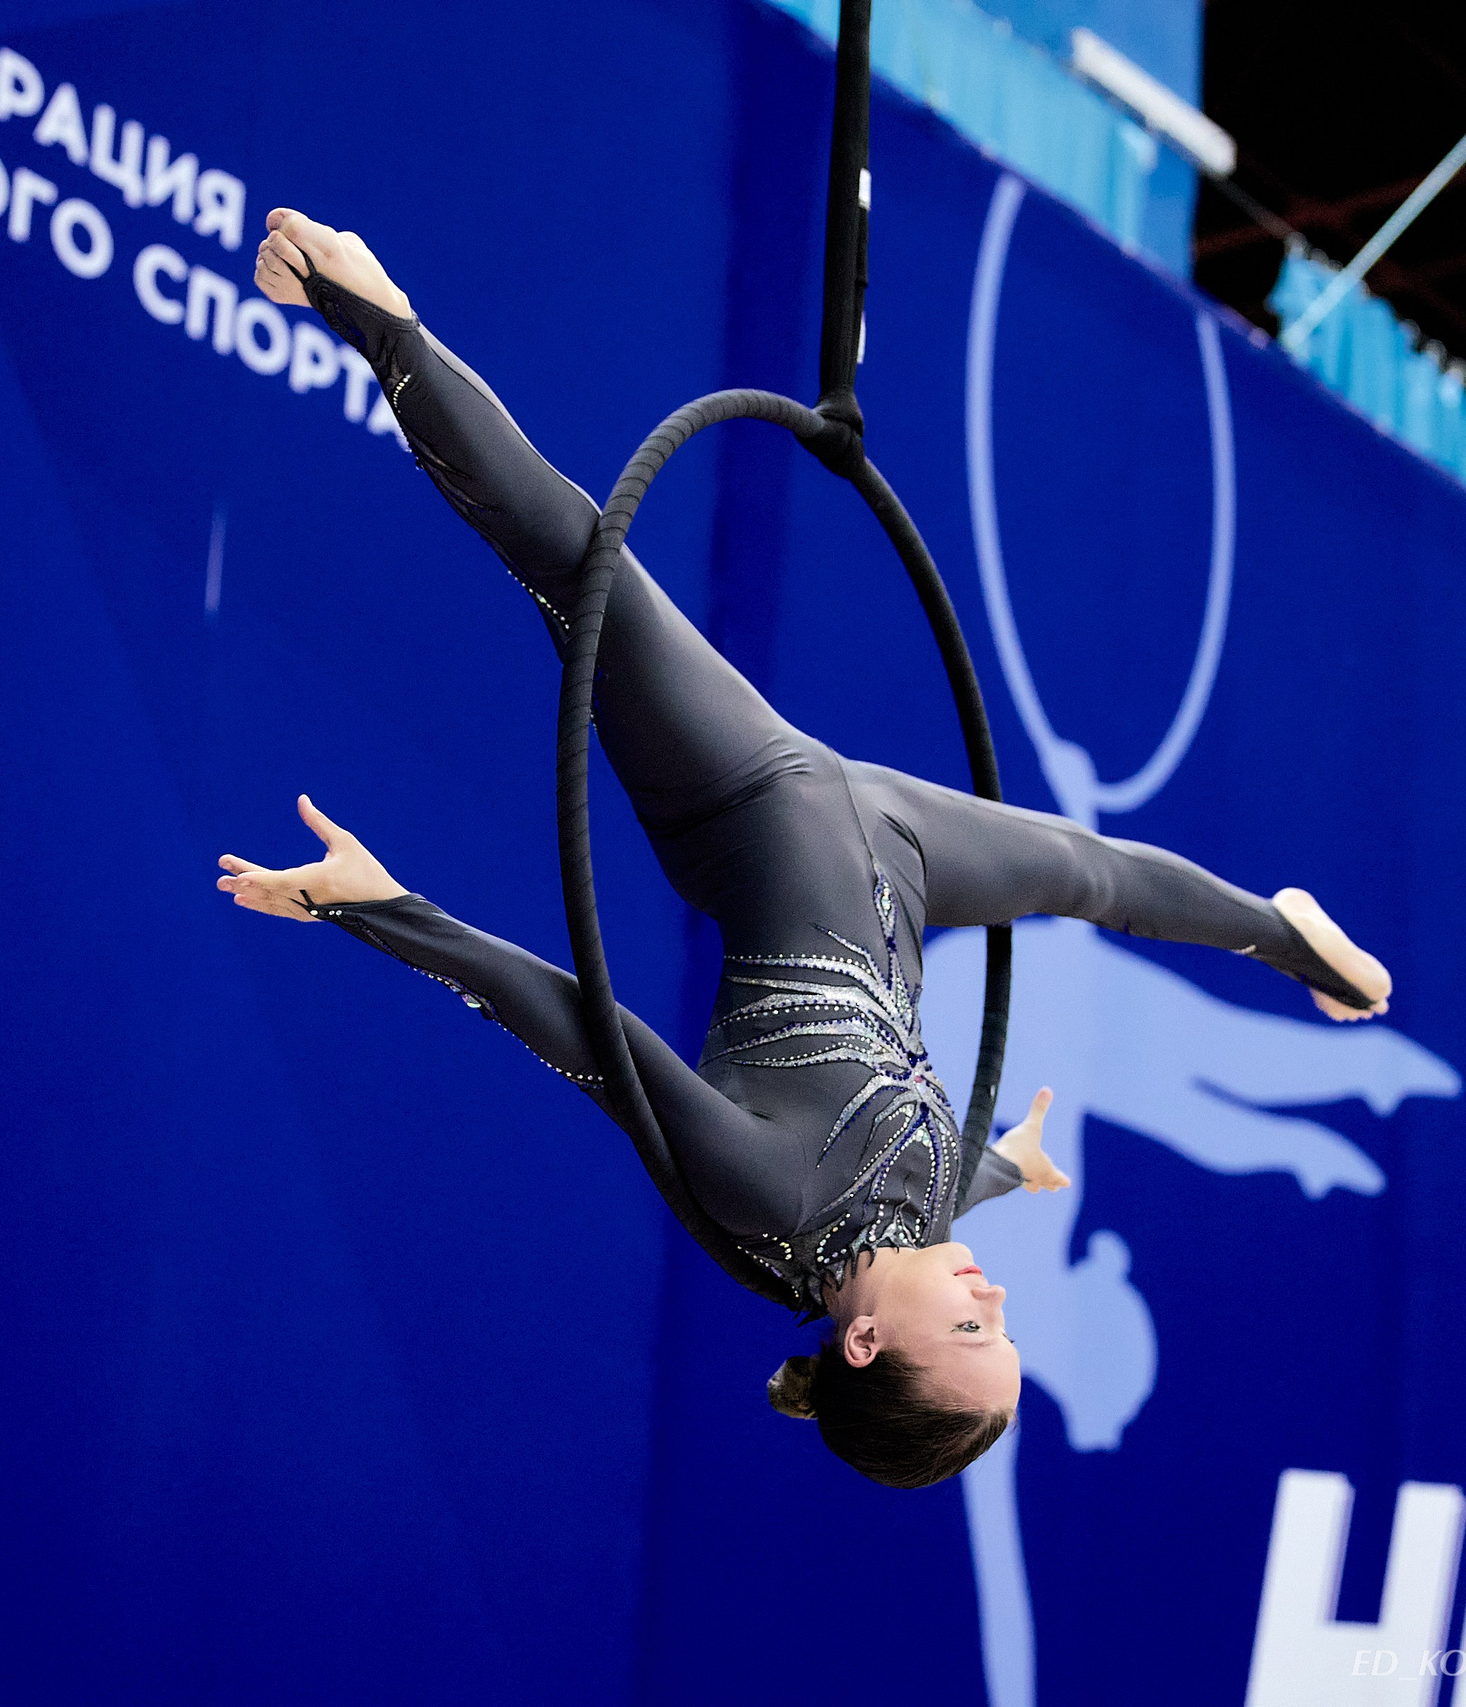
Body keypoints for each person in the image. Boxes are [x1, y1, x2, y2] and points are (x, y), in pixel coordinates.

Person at [215, 210, 1394, 1489]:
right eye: (1006, 1322)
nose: (992, 1294)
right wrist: (1013, 1163)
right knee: (1086, 873)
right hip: (901, 862)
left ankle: (375, 316)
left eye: (971, 1326)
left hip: (749, 809)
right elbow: (931, 1185)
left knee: (573, 563)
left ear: (870, 1340)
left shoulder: (766, 1204)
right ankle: (1282, 931)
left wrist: (378, 908)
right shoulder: (921, 1227)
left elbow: (583, 1031)